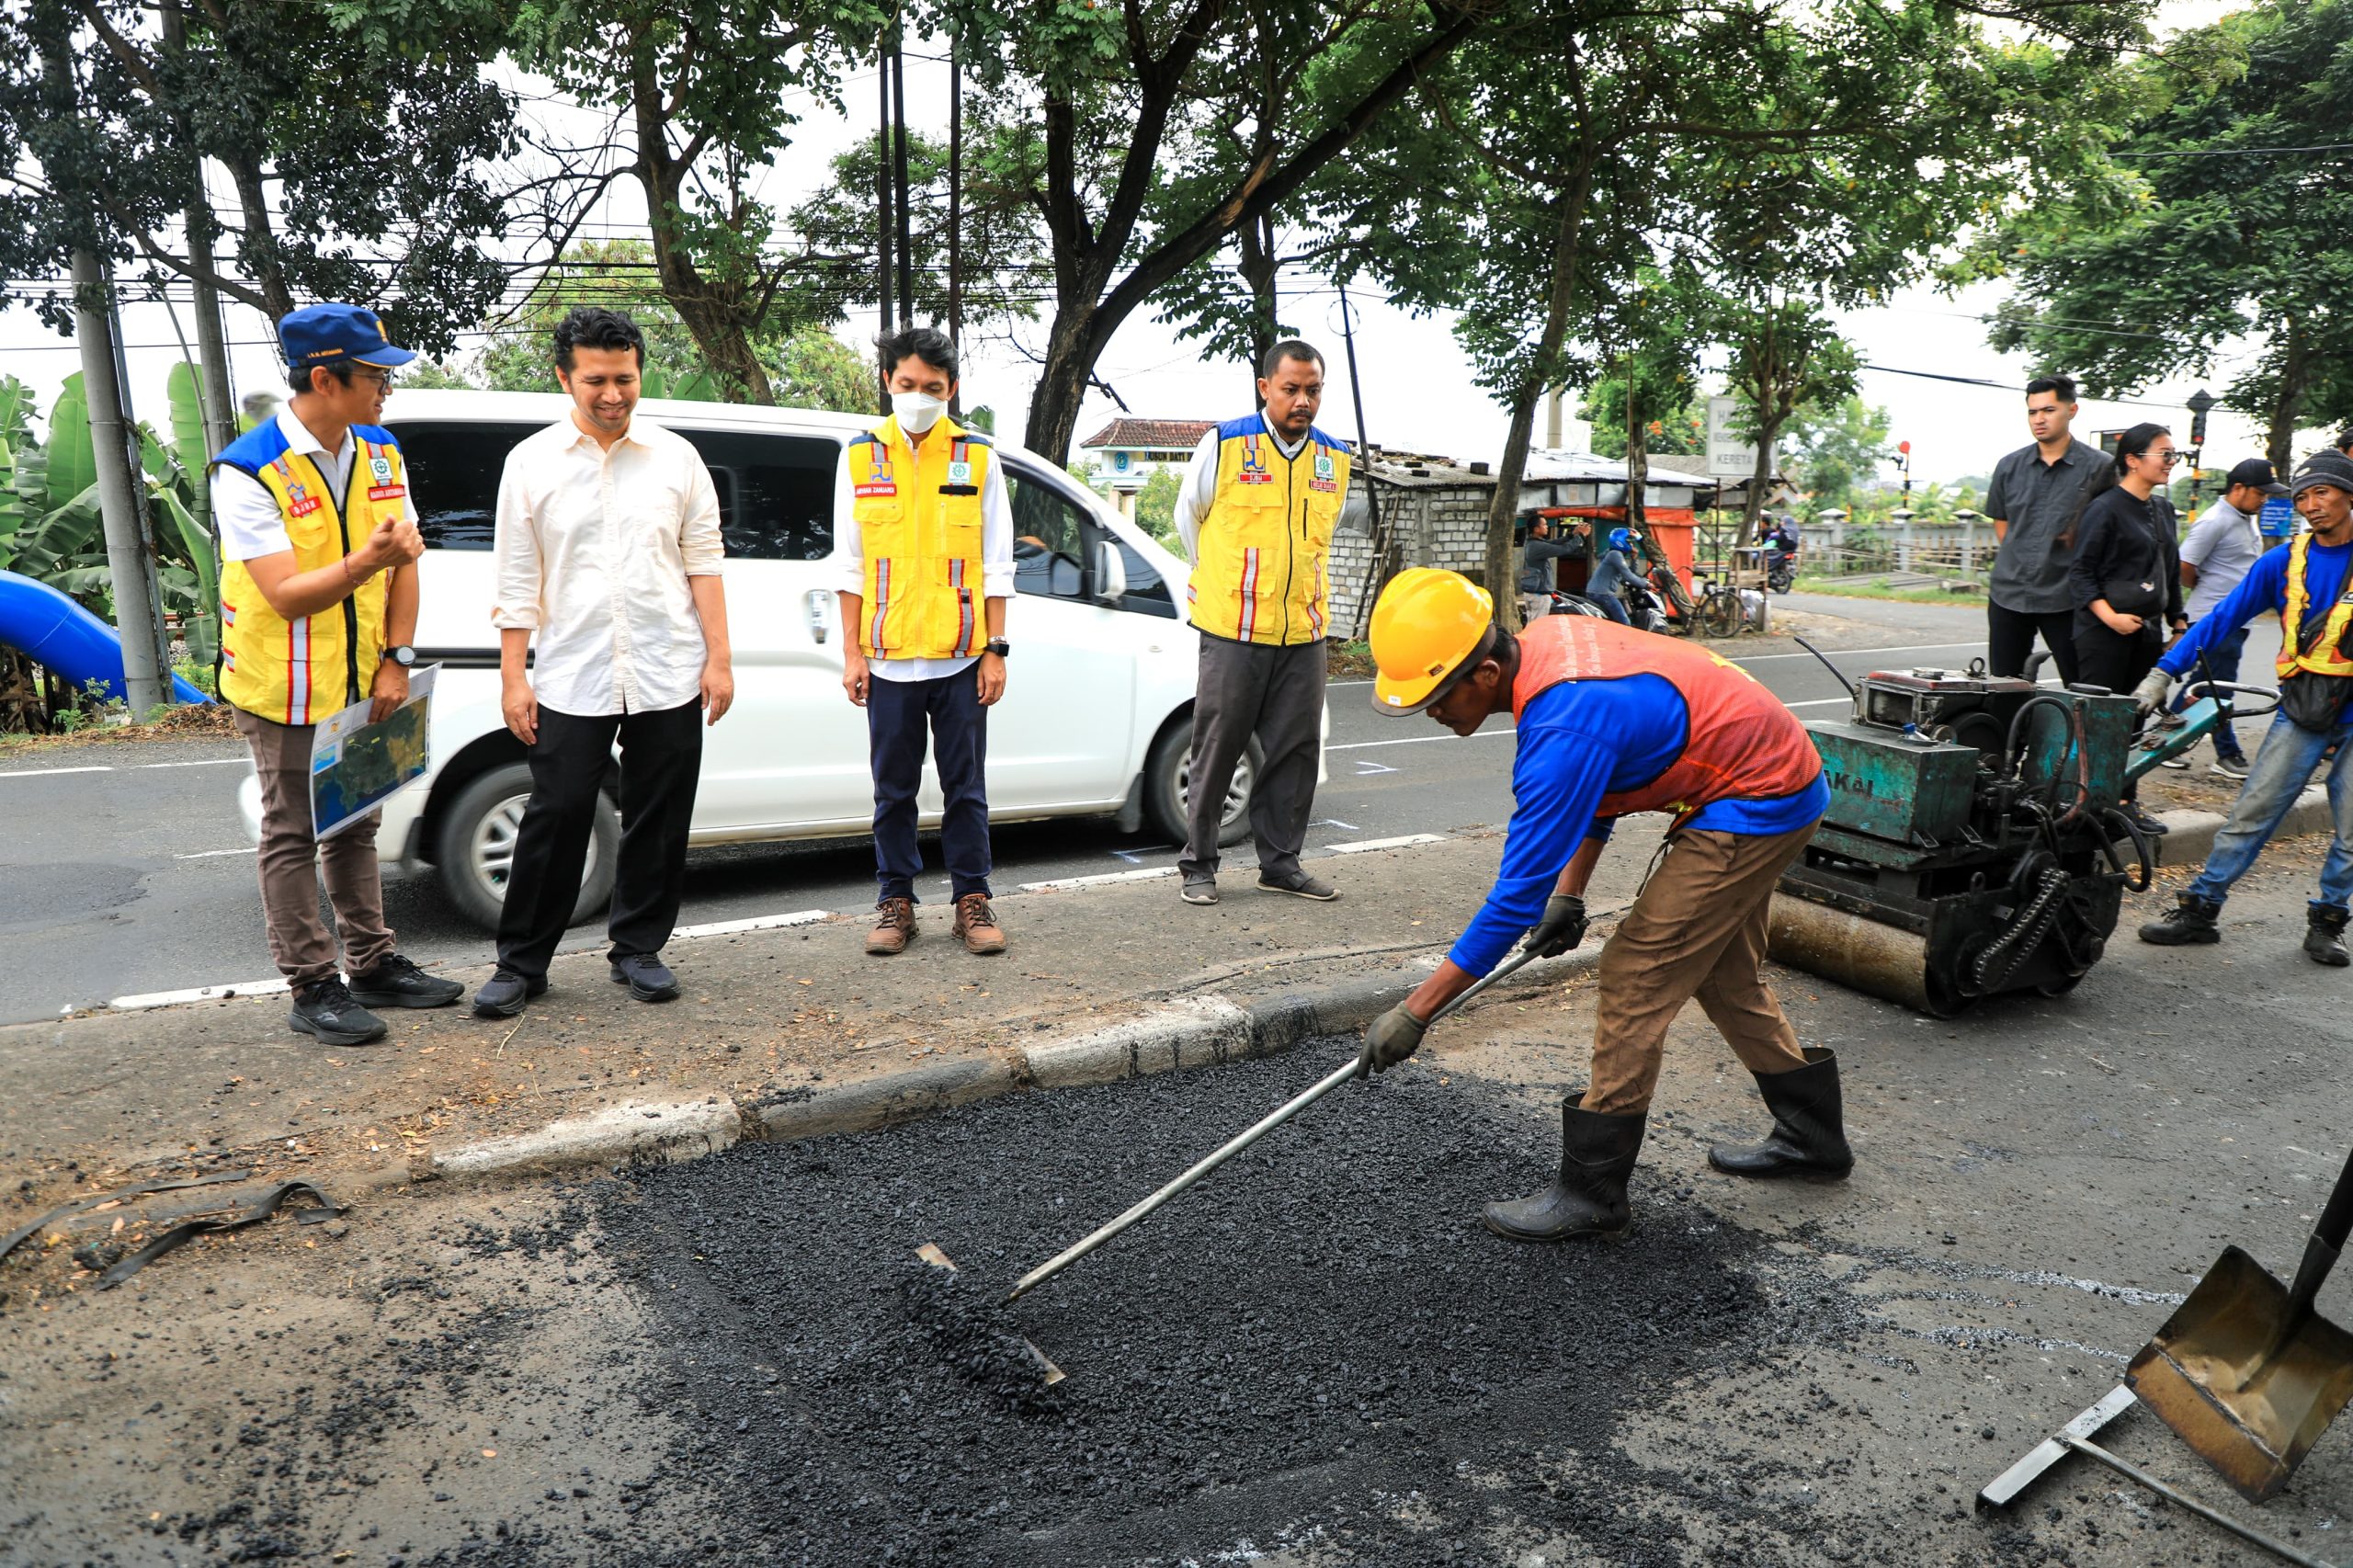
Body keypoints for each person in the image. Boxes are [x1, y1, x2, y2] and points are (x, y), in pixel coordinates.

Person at [1355, 569, 1842, 1242]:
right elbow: (1601, 793)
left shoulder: (1562, 729)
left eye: (1436, 698)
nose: (1432, 713)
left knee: (1637, 971)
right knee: (1722, 972)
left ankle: (1593, 1192)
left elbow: (1508, 905)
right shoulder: (1550, 644)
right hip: (1766, 771)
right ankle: (1813, 1135)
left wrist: (1417, 1012)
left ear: (1487, 672)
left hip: (1760, 795)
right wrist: (1569, 895)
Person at [212, 302, 462, 1044]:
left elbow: (407, 562)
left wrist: (398, 659)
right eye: (375, 376)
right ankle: (313, 985)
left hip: (362, 676)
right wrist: (369, 562)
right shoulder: (250, 469)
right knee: (292, 831)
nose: (387, 389)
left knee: (356, 818)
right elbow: (286, 595)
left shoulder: (381, 451)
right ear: (325, 378)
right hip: (281, 681)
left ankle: (373, 964)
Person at [472, 307, 733, 1018]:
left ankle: (639, 949)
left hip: (668, 664)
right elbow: (516, 579)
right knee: (555, 814)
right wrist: (513, 676)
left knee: (659, 813)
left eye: (625, 377)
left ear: (640, 372)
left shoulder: (677, 458)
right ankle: (521, 963)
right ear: (565, 378)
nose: (612, 393)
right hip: (571, 671)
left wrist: (720, 660)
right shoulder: (530, 464)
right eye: (596, 380)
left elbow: (704, 563)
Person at [2135, 452, 2353, 966]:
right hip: (2303, 709)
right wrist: (2162, 673)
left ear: (2348, 494)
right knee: (2251, 815)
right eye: (2302, 497)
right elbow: (2222, 618)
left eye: (2322, 492)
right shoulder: (2282, 562)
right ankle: (2200, 910)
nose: (2312, 506)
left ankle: (2328, 922)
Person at [838, 326, 1013, 957]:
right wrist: (853, 653)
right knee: (893, 791)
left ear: (952, 390)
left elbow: (997, 562)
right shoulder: (859, 456)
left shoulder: (978, 457)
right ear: (888, 381)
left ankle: (973, 898)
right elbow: (850, 564)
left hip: (962, 656)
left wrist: (996, 648)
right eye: (907, 385)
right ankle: (896, 902)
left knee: (966, 788)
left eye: (932, 388)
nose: (918, 397)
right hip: (887, 660)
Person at [1171, 339, 1352, 906]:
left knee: (1295, 751)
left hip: (1303, 630)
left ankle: (1281, 863)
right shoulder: (1225, 444)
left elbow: (1327, 537)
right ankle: (1199, 865)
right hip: (1232, 627)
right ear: (1265, 388)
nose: (1303, 401)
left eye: (1313, 390)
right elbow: (1189, 521)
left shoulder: (1334, 458)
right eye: (1291, 389)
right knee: (1218, 746)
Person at [2068, 423, 2184, 838]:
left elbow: (2169, 571)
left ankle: (2123, 804)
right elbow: (2080, 574)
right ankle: (2084, 806)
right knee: (2100, 723)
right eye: (2164, 454)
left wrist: (2179, 621)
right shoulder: (2106, 508)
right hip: (2103, 633)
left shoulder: (2163, 510)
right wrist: (2109, 616)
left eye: (2175, 454)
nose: (2172, 461)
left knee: (2136, 720)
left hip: (2148, 633)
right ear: (2133, 461)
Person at [1984, 374, 2114, 685]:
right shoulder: (2009, 466)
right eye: (2033, 412)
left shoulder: (2101, 467)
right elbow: (2002, 522)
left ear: (2072, 411)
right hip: (2009, 594)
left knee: (2082, 686)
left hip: (2068, 597)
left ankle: (2075, 735)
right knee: (2003, 687)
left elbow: (2109, 532)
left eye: (2049, 410)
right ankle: (2013, 735)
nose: (2039, 419)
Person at [2165, 459, 2289, 779]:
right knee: (2220, 689)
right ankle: (2226, 753)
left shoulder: (2243, 517)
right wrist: (2205, 588)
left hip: (2237, 618)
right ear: (2238, 489)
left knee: (2202, 685)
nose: (2264, 500)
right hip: (2214, 617)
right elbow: (2184, 566)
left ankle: (2166, 740)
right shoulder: (2214, 521)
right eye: (2260, 493)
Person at [1518, 516, 1578, 625]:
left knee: (1532, 625)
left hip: (1533, 593)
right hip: (1539, 595)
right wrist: (1581, 537)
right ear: (1536, 529)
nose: (1547, 527)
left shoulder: (1532, 542)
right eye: (1544, 524)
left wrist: (1571, 535)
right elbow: (1564, 549)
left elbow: (1553, 543)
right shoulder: (1537, 546)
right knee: (1538, 626)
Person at [1581, 527, 1639, 626]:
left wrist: (1634, 559)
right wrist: (1646, 584)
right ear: (1620, 541)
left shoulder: (1612, 553)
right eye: (1628, 541)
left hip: (1596, 592)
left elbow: (1628, 574)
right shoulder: (1615, 555)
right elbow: (1628, 575)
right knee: (1625, 623)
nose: (1631, 545)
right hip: (1602, 594)